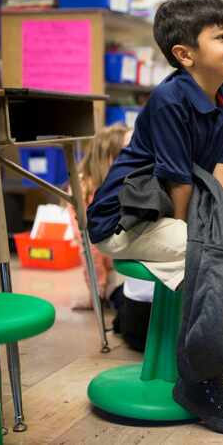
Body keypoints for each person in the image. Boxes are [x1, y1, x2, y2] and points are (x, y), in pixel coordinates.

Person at [86, 0, 223, 434]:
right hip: (125, 219)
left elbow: (220, 170)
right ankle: (199, 379)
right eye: (222, 36)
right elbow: (179, 181)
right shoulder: (170, 99)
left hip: (172, 211)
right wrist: (201, 236)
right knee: (216, 257)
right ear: (185, 55)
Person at [66, 123, 130, 310]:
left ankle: (105, 291)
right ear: (109, 157)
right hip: (98, 248)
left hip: (114, 250)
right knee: (92, 254)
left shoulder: (117, 183)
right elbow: (88, 246)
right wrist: (98, 285)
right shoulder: (83, 188)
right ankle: (100, 294)